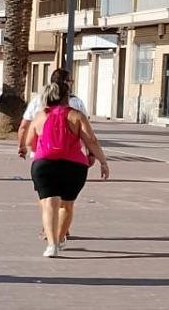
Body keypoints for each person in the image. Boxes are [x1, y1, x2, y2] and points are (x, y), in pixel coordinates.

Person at [19, 72, 108, 259]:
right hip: (74, 166)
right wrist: (102, 161)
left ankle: (51, 245)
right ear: (67, 97)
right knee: (67, 205)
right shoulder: (76, 115)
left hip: (44, 165)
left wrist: (38, 149)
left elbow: (29, 143)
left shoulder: (40, 116)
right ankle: (59, 239)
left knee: (49, 204)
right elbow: (91, 140)